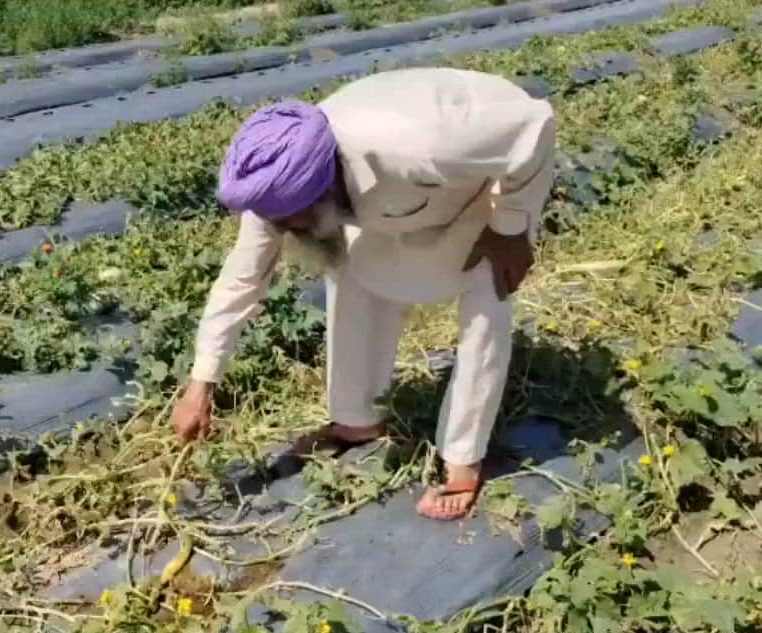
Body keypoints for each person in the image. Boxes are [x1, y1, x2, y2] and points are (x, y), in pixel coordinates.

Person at [170, 67, 556, 521]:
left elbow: (534, 124)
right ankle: (356, 419)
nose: (284, 231)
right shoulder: (282, 183)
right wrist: (201, 384)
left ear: (323, 186)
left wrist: (510, 225)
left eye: (292, 219)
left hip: (489, 174)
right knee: (342, 258)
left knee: (491, 278)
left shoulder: (418, 144)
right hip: (411, 194)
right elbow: (243, 277)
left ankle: (463, 460)